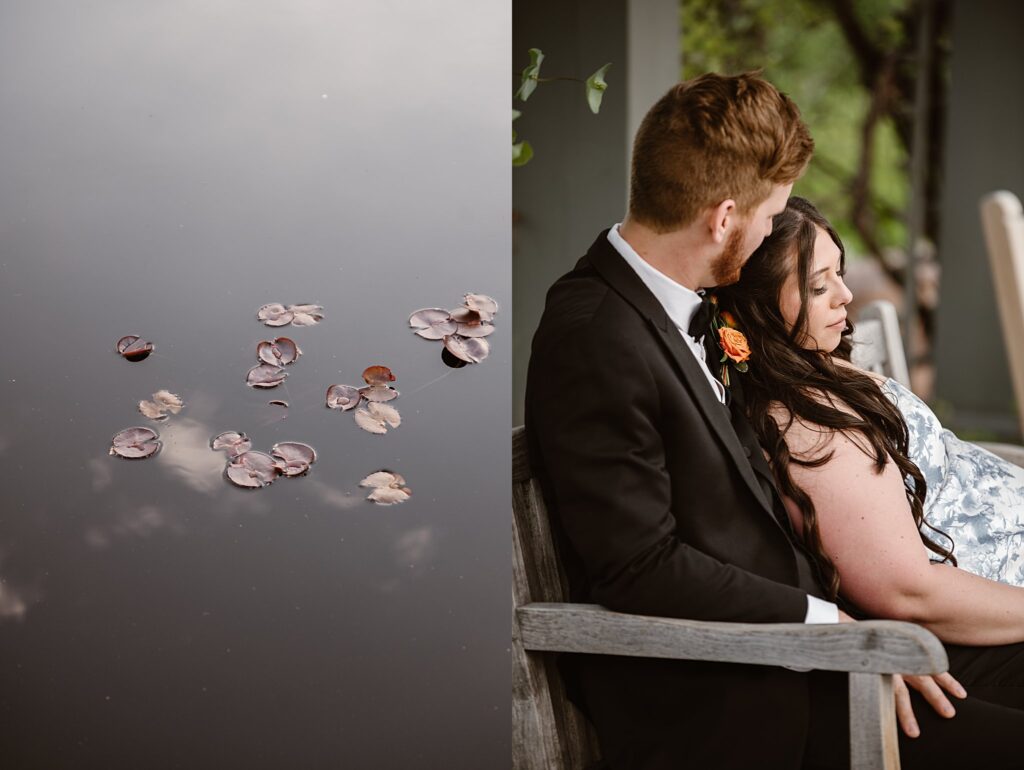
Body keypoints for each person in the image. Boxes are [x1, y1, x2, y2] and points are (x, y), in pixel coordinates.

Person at [525, 73, 1024, 769]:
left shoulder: (680, 305)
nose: (768, 234)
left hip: (826, 642)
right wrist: (834, 628)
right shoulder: (594, 334)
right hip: (749, 691)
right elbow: (639, 566)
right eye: (769, 217)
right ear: (723, 219)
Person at [715, 196, 1024, 647]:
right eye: (818, 287)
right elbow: (911, 594)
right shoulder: (805, 428)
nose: (846, 295)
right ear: (757, 307)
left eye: (839, 273)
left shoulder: (819, 362)